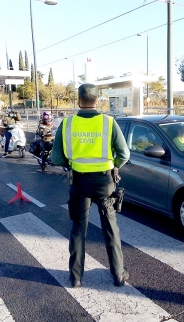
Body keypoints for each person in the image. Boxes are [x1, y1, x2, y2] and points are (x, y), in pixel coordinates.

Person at [51, 83, 130, 288]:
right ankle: (119, 275)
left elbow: (56, 158)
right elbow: (124, 154)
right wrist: (115, 166)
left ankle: (76, 277)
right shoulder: (109, 122)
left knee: (78, 229)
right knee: (111, 229)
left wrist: (70, 163)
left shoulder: (67, 124)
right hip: (105, 183)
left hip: (79, 182)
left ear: (78, 100)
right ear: (97, 100)